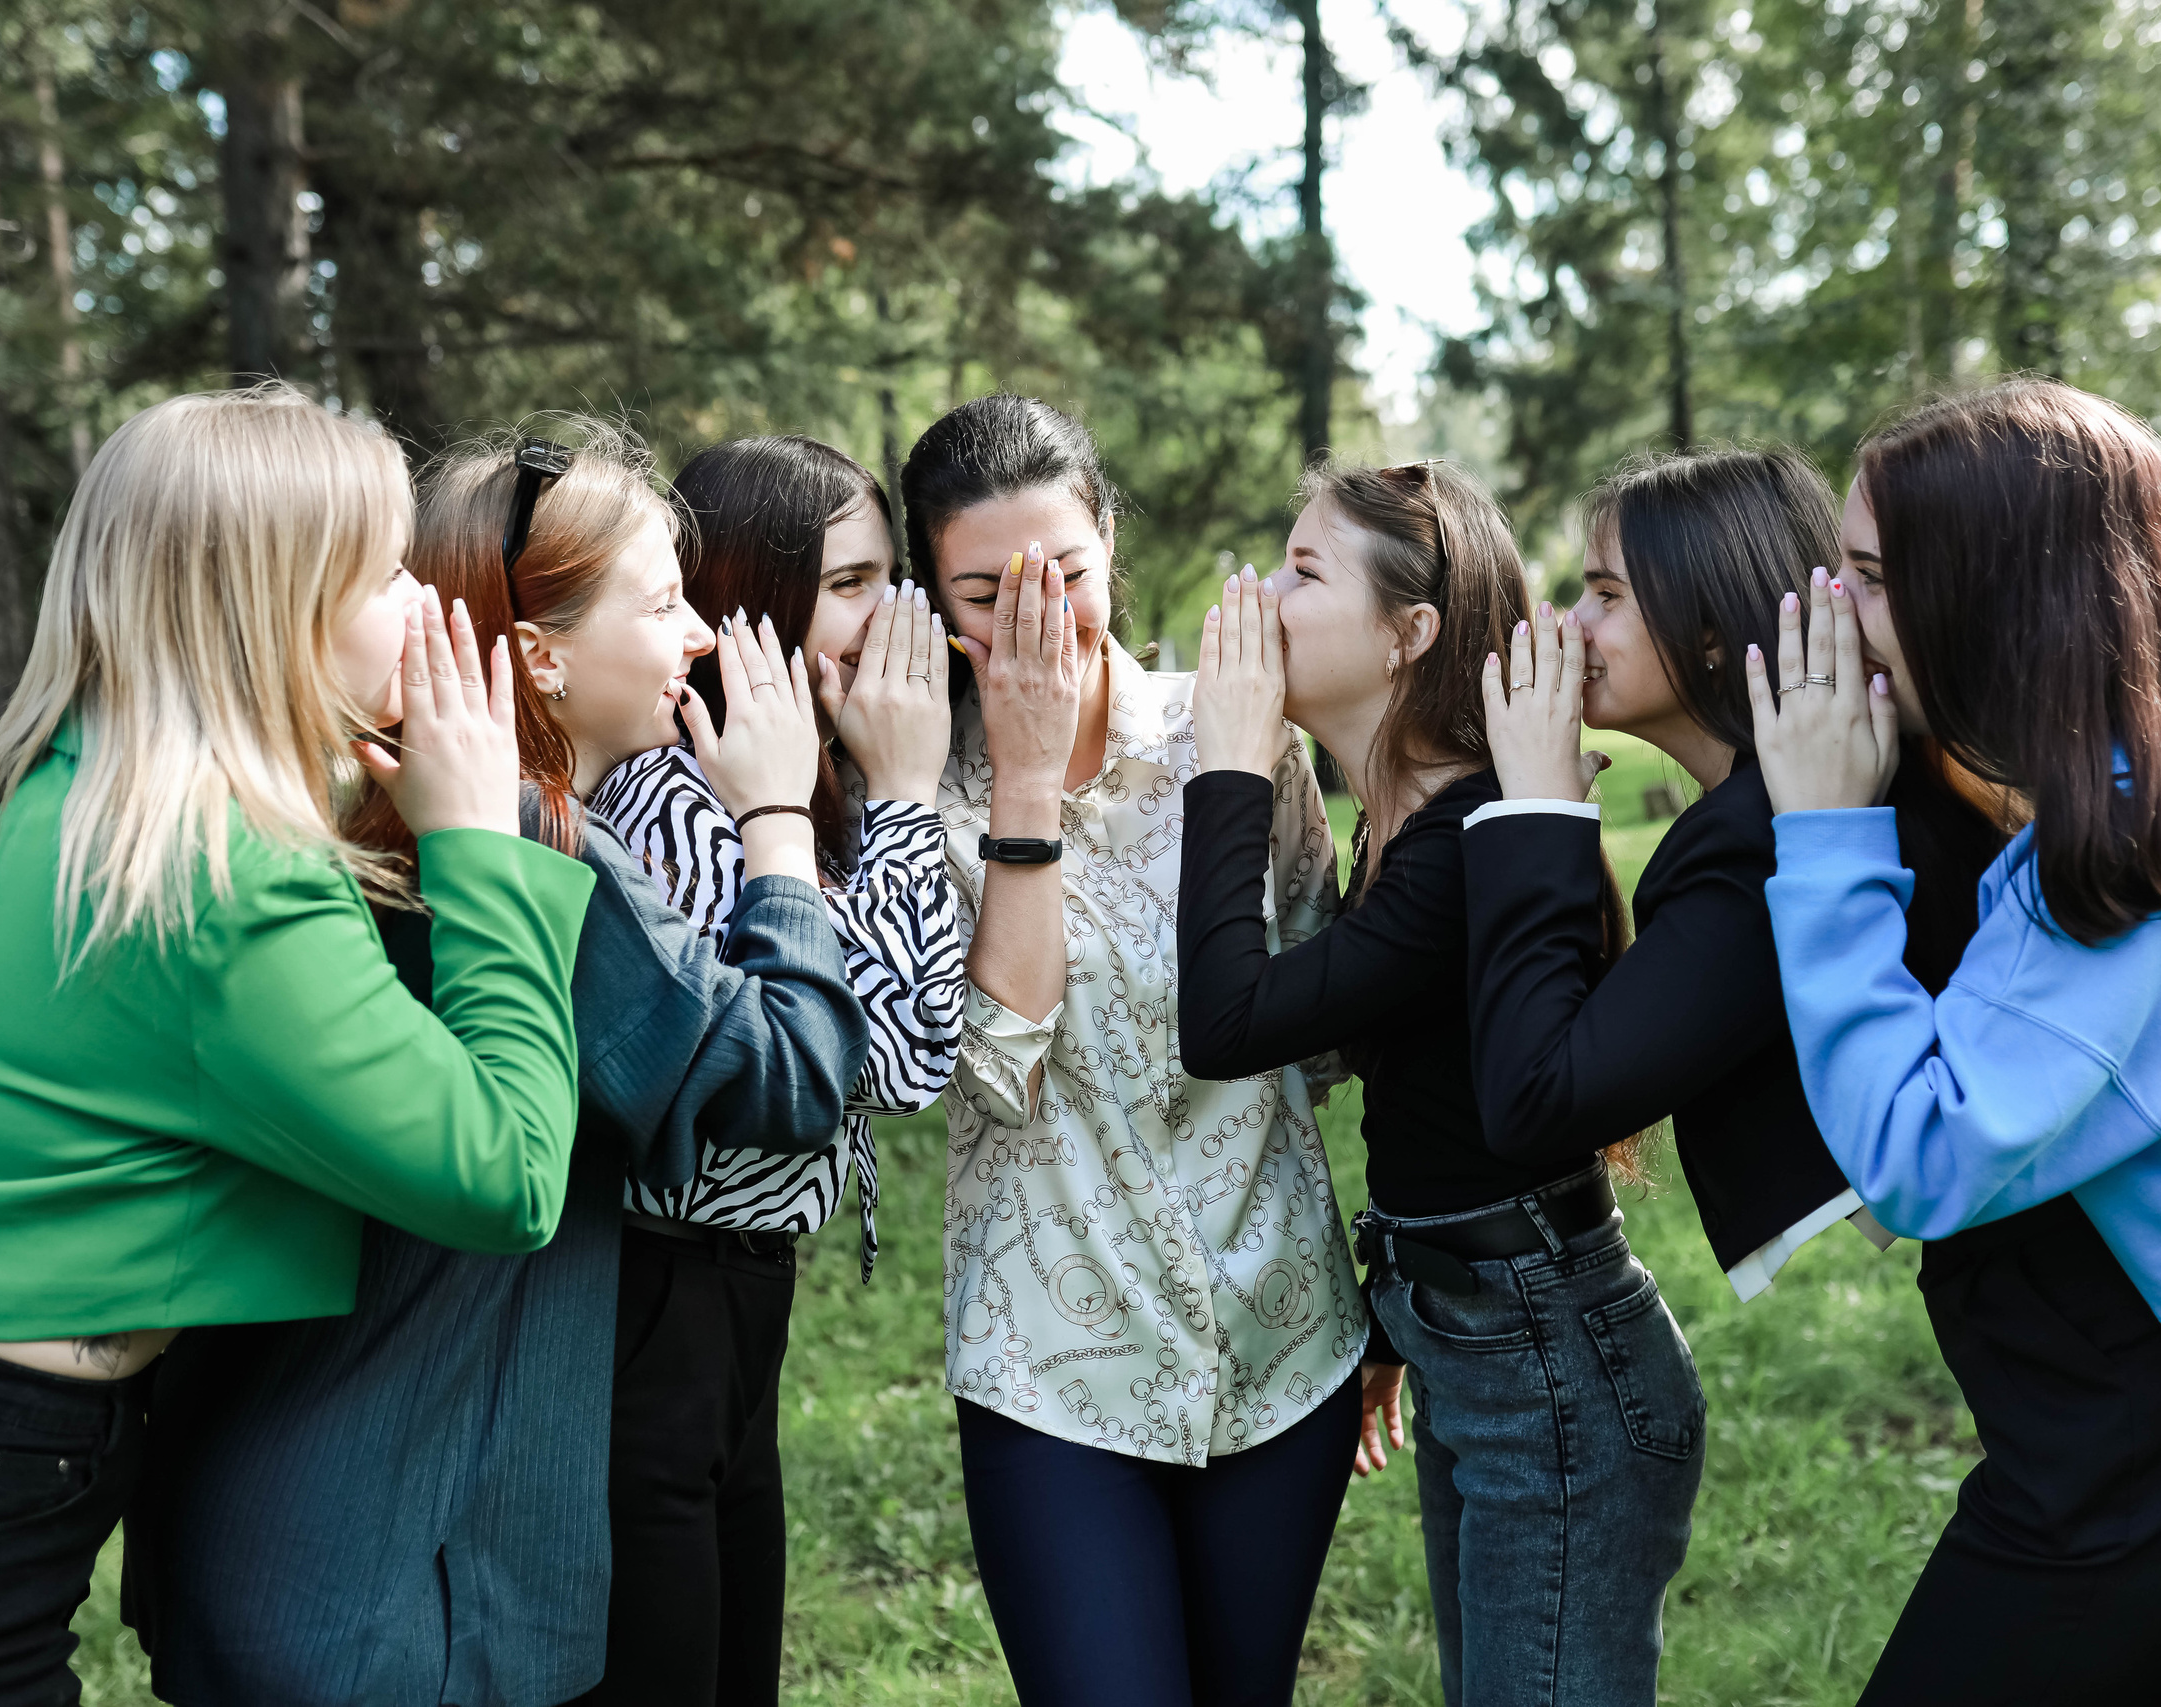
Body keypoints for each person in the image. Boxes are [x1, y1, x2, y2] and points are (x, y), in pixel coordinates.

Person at [0, 386, 596, 1704]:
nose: (421, 600)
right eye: (386, 571)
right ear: (278, 605)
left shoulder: (79, 786)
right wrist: (476, 842)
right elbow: (506, 1174)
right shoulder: (222, 879)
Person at [124, 423, 871, 1707]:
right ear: (540, 656)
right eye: (663, 603)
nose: (700, 634)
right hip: (396, 1597)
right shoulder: (531, 855)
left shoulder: (368, 816)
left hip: (262, 1540)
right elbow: (796, 1076)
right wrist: (778, 816)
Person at [1749, 377, 2161, 1704]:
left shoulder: (2133, 856)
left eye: (1864, 576)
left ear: (1990, 599)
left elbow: (1922, 1151)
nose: (1829, 609)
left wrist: (1824, 830)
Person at [1178, 459, 1697, 1707]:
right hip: (1490, 1338)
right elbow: (1431, 1101)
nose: (1260, 592)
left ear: (1410, 633)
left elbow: (1228, 1019)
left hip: (1548, 1370)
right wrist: (1401, 1306)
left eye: (1303, 571)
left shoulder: (1469, 840)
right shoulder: (1413, 826)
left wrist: (1231, 767)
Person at [900, 394, 1366, 1707]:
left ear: (1112, 539)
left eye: (1066, 573)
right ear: (937, 597)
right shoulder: (923, 793)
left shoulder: (1237, 734)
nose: (1036, 618)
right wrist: (1029, 778)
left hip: (1280, 1344)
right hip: (1053, 1371)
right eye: (988, 591)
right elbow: (998, 1064)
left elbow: (1319, 1023)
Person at [583, 435, 963, 1704]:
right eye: (851, 582)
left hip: (739, 1301)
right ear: (756, 593)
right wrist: (907, 795)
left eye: (888, 577)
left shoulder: (783, 782)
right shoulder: (686, 801)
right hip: (656, 1303)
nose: (889, 615)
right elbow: (900, 1061)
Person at [1464, 447, 1998, 1301]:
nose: (1571, 624)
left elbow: (1537, 1101)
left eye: (1607, 595)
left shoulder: (1760, 835)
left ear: (1709, 631)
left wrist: (1536, 809)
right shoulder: (1774, 808)